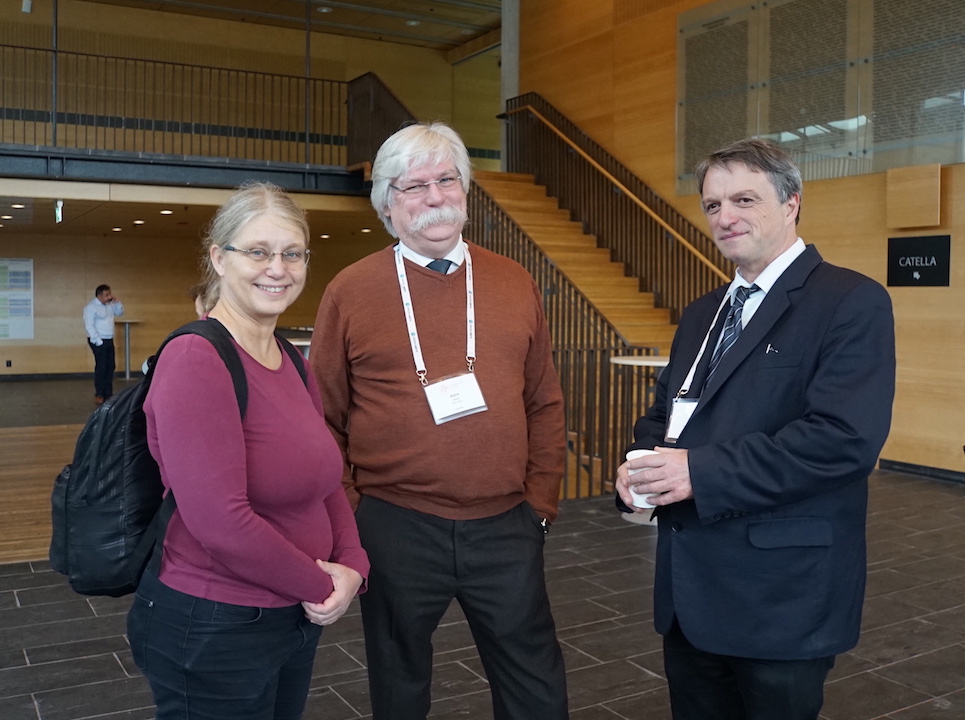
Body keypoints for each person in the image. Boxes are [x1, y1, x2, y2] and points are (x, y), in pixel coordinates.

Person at [615, 138, 896, 720]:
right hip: (689, 589)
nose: (725, 217)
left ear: (792, 202)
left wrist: (696, 471)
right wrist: (639, 466)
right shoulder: (703, 312)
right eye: (713, 204)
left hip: (779, 593)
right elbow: (668, 414)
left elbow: (842, 440)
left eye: (744, 199)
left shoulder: (849, 301)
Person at [311, 122, 569, 720]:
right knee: (399, 686)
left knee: (536, 683)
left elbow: (544, 401)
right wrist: (353, 513)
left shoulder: (513, 280)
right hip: (395, 524)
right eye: (415, 186)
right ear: (387, 203)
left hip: (507, 523)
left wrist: (540, 504)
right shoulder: (350, 291)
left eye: (447, 179)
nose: (435, 196)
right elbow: (322, 416)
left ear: (466, 188)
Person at [127, 182, 369, 720]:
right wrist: (321, 582)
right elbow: (220, 521)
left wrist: (353, 564)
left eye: (292, 254)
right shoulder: (196, 358)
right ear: (219, 257)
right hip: (216, 626)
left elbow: (325, 479)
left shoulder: (288, 357)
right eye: (257, 252)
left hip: (292, 616)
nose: (276, 269)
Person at [83, 284, 124, 403]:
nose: (109, 297)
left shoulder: (110, 305)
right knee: (101, 367)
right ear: (99, 296)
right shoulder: (90, 308)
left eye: (109, 294)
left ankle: (108, 393)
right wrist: (98, 341)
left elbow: (120, 313)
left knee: (110, 366)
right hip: (97, 340)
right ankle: (99, 394)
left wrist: (117, 302)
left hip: (109, 339)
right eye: (106, 295)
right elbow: (89, 326)